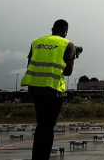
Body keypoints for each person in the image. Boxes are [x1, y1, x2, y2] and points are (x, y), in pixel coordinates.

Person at [20, 19, 77, 160]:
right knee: (49, 126)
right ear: (65, 32)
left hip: (36, 88)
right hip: (54, 89)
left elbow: (30, 65)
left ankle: (37, 157)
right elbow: (68, 72)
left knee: (41, 125)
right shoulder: (68, 44)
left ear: (52, 29)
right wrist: (72, 57)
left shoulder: (36, 42)